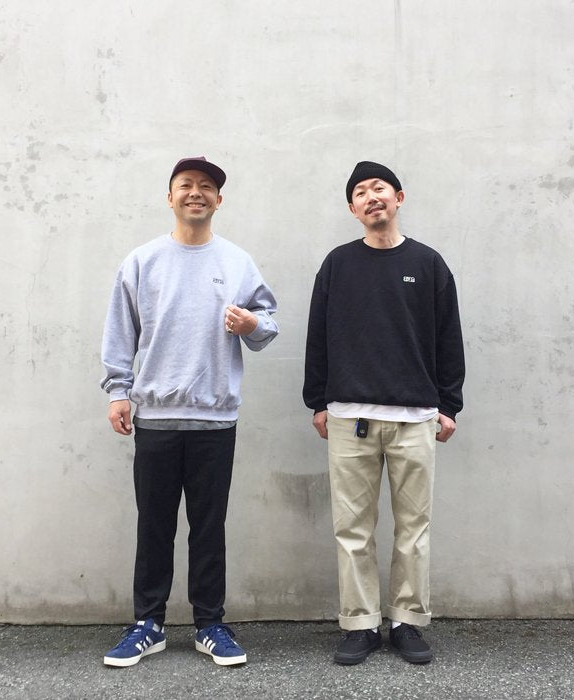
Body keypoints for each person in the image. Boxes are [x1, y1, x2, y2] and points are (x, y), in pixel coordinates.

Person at [100, 156, 278, 668]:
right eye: (186, 185)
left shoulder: (237, 262)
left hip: (215, 419)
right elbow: (120, 331)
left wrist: (251, 324)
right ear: (170, 196)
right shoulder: (143, 261)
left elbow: (267, 323)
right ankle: (147, 624)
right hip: (155, 418)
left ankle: (209, 624)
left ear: (219, 200)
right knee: (154, 525)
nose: (195, 192)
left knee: (209, 526)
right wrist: (117, 391)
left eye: (206, 186)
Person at [303, 161, 464, 666]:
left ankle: (408, 621)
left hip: (415, 416)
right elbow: (317, 335)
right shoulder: (337, 264)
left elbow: (449, 337)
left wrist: (449, 404)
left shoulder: (428, 263)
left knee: (414, 527)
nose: (371, 197)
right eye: (360, 192)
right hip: (349, 416)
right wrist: (317, 401)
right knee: (352, 529)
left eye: (379, 188)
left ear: (398, 197)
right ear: (352, 209)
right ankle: (361, 624)